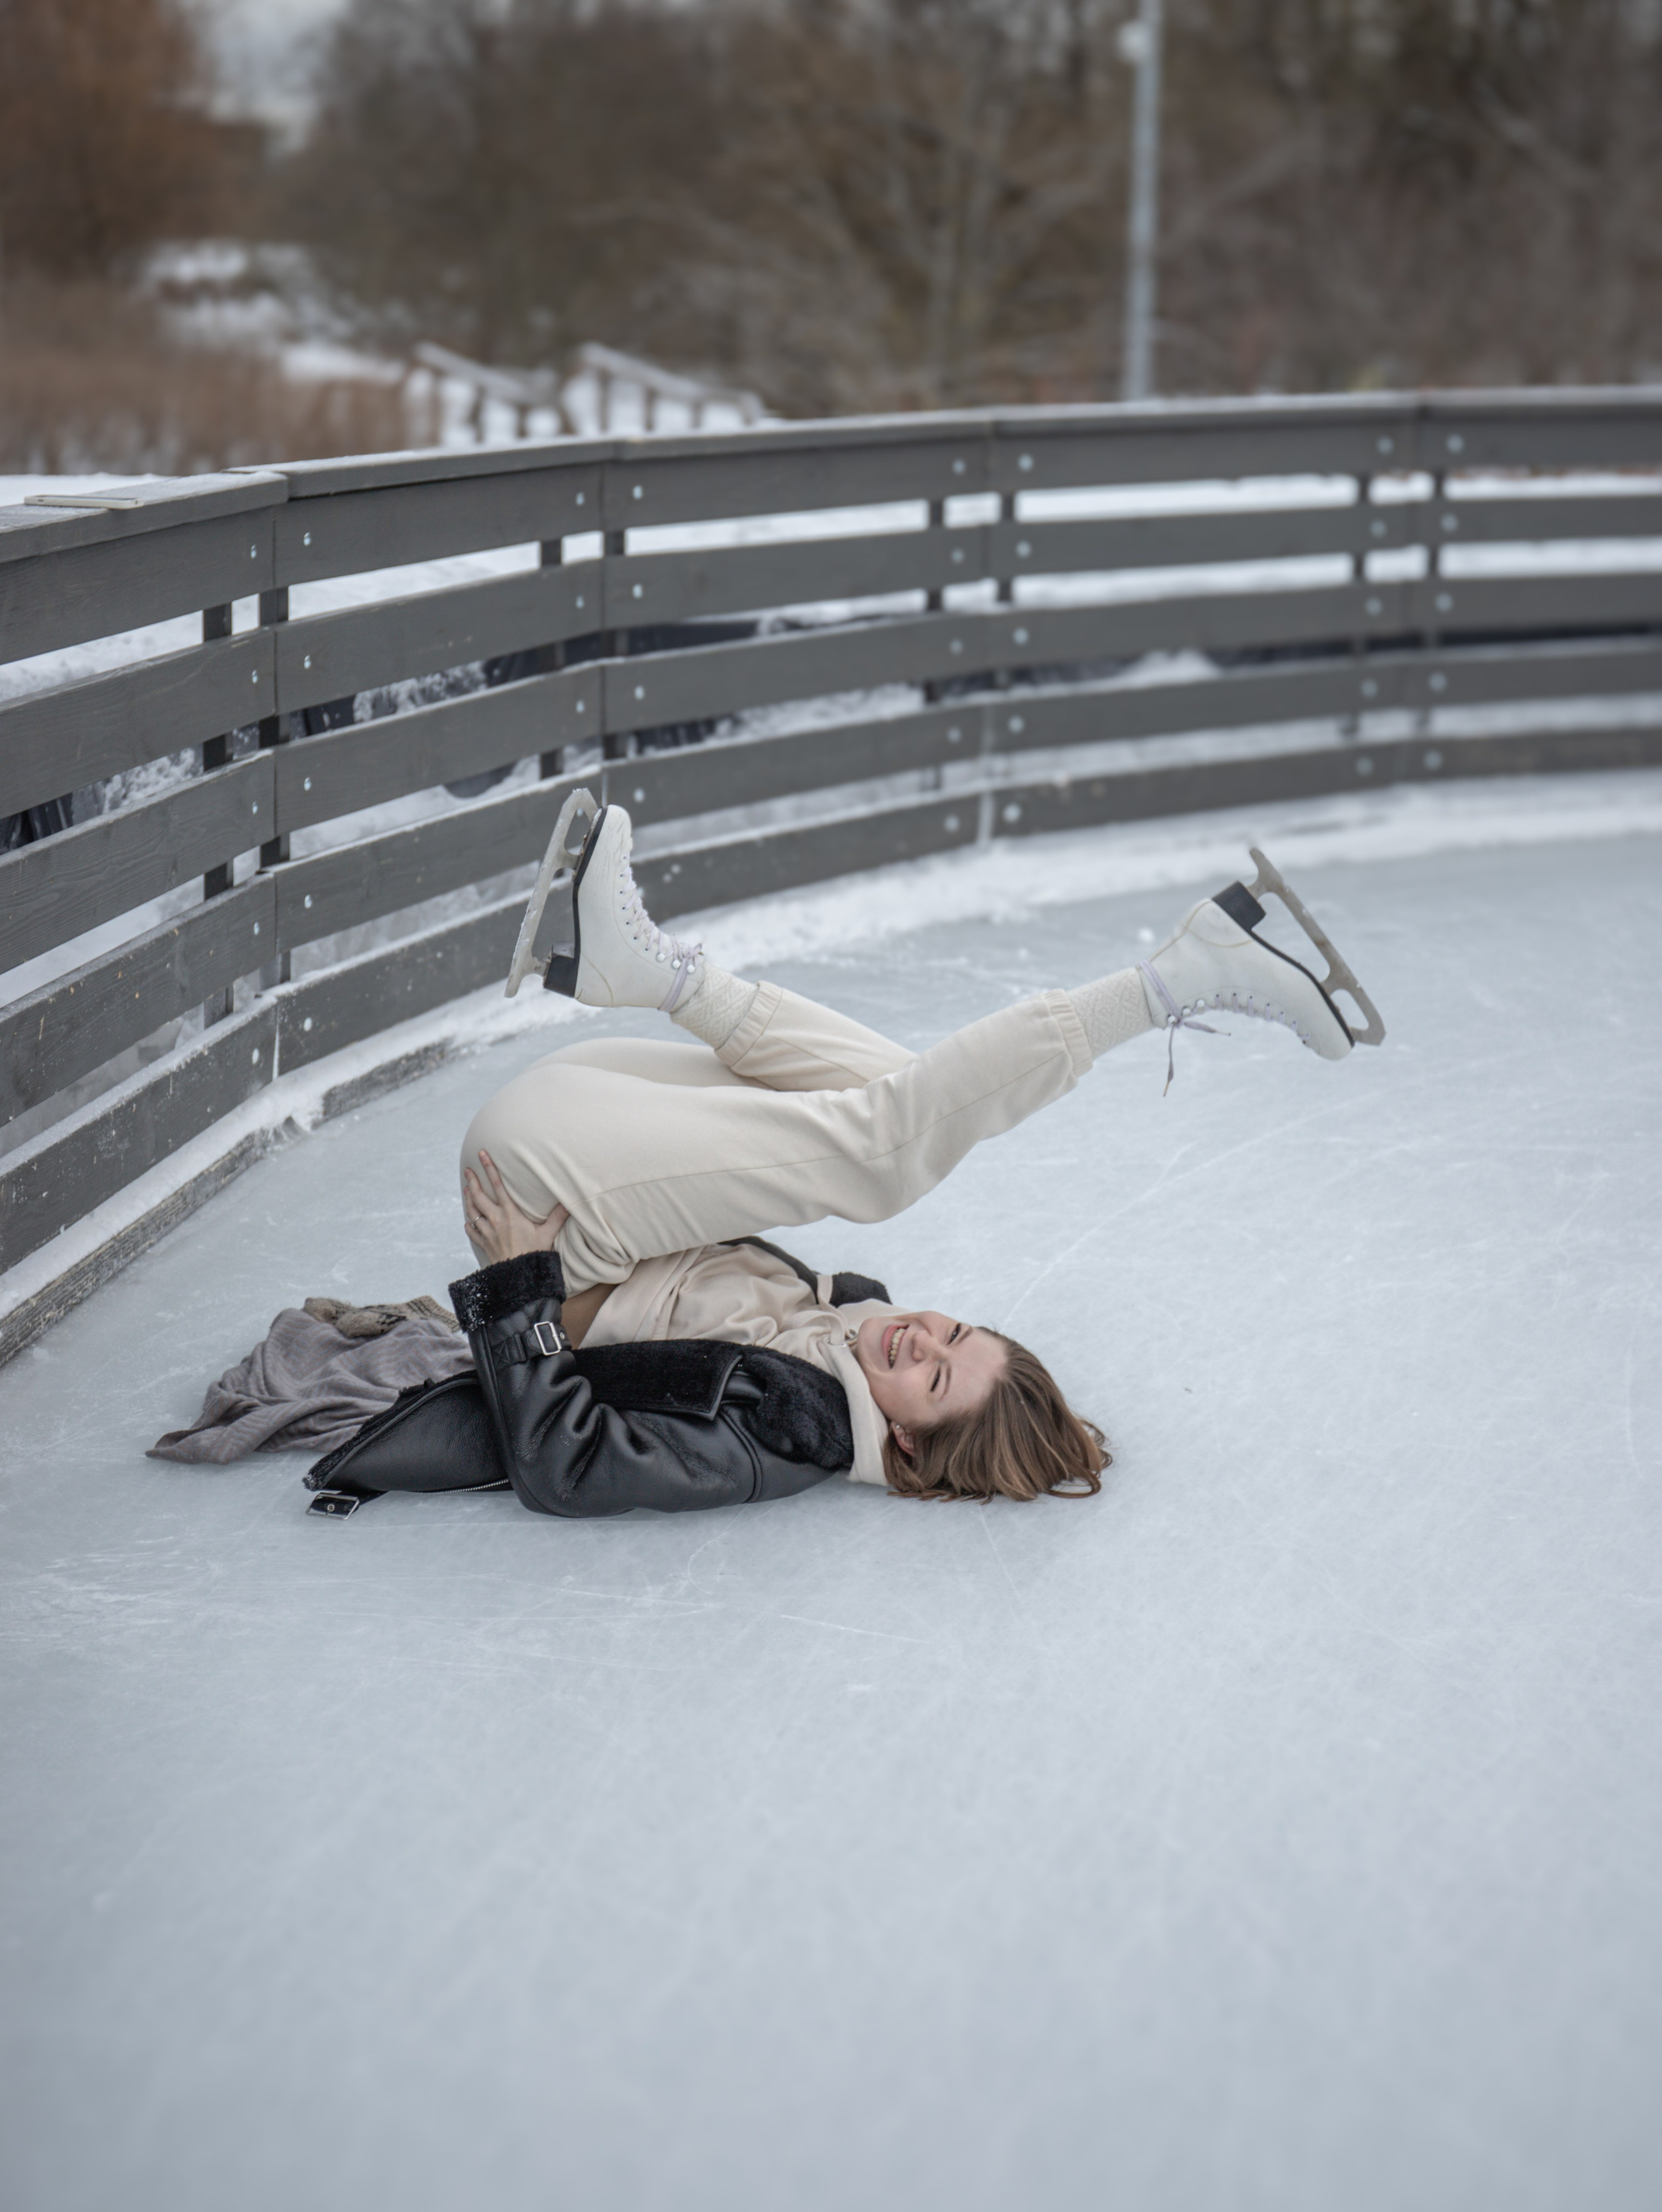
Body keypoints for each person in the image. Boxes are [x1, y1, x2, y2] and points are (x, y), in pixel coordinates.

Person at [308, 804, 1373, 1523]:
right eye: (958, 1331)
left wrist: (516, 1292)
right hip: (598, 1134)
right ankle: (653, 973)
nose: (924, 1337)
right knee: (893, 1098)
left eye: (935, 1376)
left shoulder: (784, 1433)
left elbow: (566, 1465)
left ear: (908, 1452)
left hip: (540, 1202)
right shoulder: (835, 1334)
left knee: (883, 1157)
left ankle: (1168, 984)